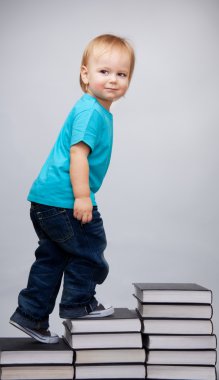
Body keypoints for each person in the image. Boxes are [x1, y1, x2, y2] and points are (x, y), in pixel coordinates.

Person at [10, 34, 135, 344]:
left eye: (121, 74)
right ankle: (78, 303)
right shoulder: (91, 111)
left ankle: (31, 315)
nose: (113, 80)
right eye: (104, 71)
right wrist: (82, 197)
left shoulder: (93, 108)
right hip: (64, 201)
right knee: (91, 248)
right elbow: (79, 153)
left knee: (53, 257)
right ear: (85, 74)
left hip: (45, 201)